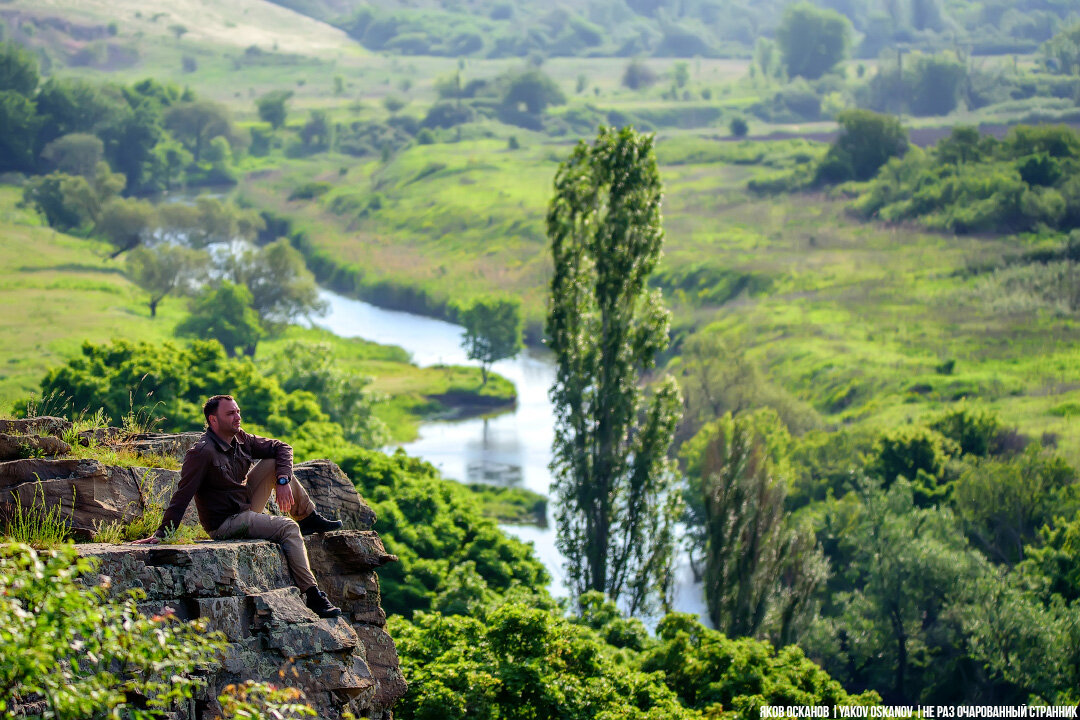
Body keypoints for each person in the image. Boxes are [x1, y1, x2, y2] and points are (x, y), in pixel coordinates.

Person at [133, 394, 344, 618]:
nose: (237, 417)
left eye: (238, 412)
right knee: (288, 528)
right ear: (213, 420)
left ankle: (308, 517)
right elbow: (182, 494)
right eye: (230, 413)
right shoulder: (201, 453)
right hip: (226, 522)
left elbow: (283, 447)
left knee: (275, 463)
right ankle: (313, 596)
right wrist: (163, 533)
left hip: (244, 506)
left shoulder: (241, 439)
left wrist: (283, 480)